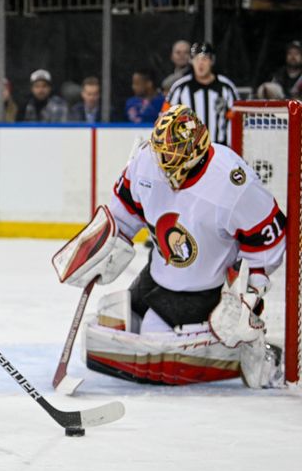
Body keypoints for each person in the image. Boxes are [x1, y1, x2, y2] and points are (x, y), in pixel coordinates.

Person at [54, 105, 285, 389]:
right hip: (159, 270)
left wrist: (248, 297)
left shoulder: (232, 182)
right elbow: (125, 210)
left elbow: (267, 240)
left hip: (205, 289)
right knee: (116, 319)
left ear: (196, 150)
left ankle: (252, 353)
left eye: (173, 154)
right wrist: (104, 246)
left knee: (153, 342)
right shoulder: (146, 161)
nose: (164, 160)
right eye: (161, 151)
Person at [165, 42, 238, 146]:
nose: (200, 63)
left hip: (220, 150)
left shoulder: (226, 88)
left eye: (204, 59)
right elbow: (165, 118)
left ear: (212, 61)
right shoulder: (179, 88)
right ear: (191, 61)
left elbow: (236, 120)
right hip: (188, 151)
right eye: (196, 59)